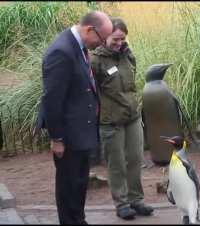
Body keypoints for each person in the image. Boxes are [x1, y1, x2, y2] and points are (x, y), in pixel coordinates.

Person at [38, 11, 113, 224]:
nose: (100, 45)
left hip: (81, 132)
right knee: (69, 185)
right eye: (101, 38)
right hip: (68, 136)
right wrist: (57, 138)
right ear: (90, 29)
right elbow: (52, 100)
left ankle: (78, 220)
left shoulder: (78, 46)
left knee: (79, 183)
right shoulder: (61, 51)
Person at [90, 18, 154, 220]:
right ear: (105, 36)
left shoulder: (127, 55)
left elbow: (131, 85)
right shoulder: (95, 61)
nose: (119, 43)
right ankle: (122, 203)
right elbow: (90, 92)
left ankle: (136, 200)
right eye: (115, 39)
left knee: (135, 159)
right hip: (110, 122)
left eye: (123, 39)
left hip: (132, 117)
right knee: (116, 163)